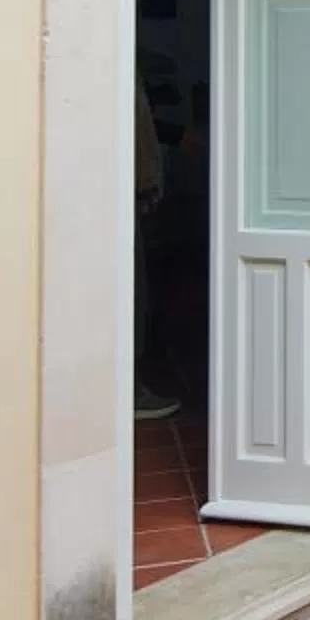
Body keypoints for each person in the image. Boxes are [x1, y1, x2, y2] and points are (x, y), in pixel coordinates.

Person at [134, 81, 180, 421]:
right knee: (133, 294)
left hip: (130, 189)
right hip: (124, 192)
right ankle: (129, 391)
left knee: (139, 292)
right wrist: (146, 182)